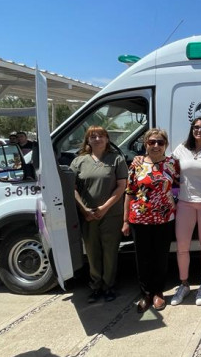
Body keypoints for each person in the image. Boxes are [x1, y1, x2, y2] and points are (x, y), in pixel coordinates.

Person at [122, 128, 179, 313]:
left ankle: (158, 293)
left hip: (164, 218)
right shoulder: (136, 165)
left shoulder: (172, 164)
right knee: (143, 258)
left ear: (166, 145)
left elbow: (180, 187)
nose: (156, 146)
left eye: (160, 142)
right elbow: (129, 193)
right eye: (152, 142)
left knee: (160, 257)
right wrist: (125, 221)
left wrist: (174, 201)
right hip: (140, 218)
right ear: (145, 144)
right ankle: (146, 294)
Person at [70, 126, 127, 304]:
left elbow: (121, 187)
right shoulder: (79, 161)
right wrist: (83, 209)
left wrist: (104, 208)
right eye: (92, 136)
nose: (97, 139)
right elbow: (71, 188)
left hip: (111, 215)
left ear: (107, 139)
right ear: (87, 141)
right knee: (93, 253)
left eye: (101, 136)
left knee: (110, 252)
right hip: (87, 215)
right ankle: (96, 287)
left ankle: (109, 286)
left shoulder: (116, 159)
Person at [170, 117, 201, 306]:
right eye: (196, 127)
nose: (199, 130)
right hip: (185, 203)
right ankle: (184, 285)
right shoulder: (181, 149)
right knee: (183, 247)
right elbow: (169, 170)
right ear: (192, 129)